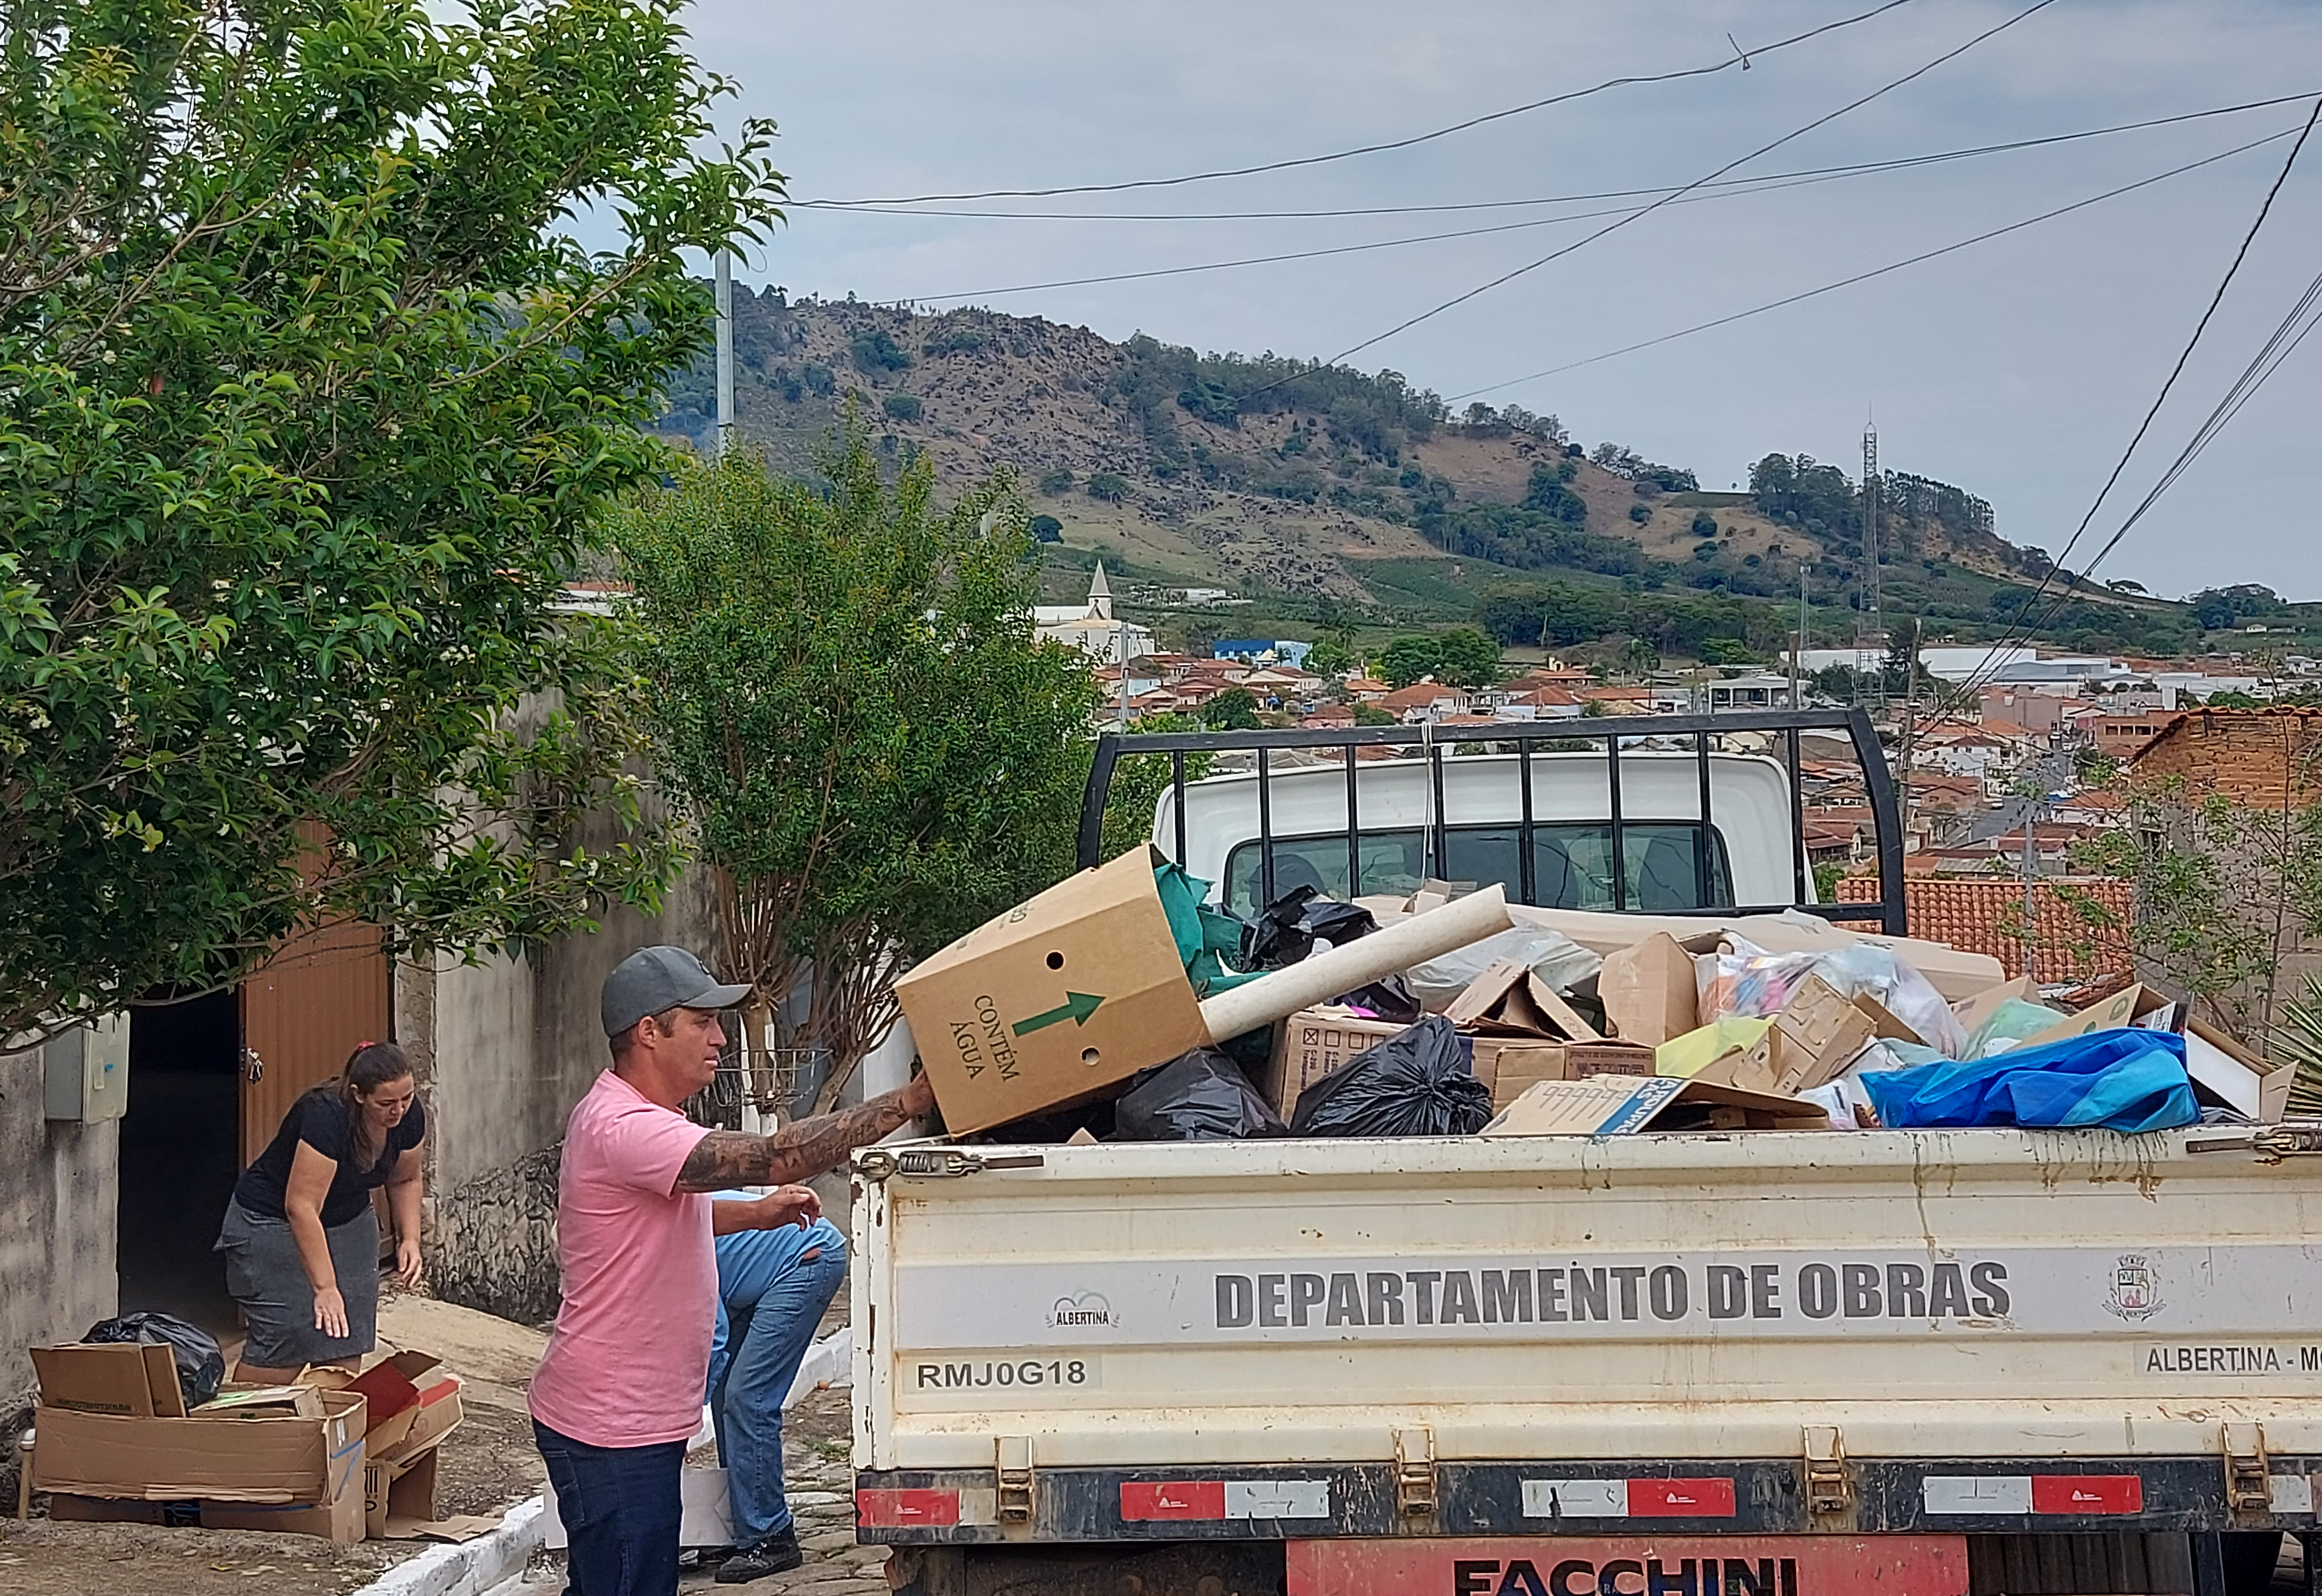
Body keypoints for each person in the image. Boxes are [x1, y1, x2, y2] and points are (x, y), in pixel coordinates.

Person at [528, 945, 933, 1596]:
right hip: (610, 1425)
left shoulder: (641, 1118)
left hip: (632, 1418)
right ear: (649, 1031)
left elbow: (654, 1217)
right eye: (702, 1021)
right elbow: (777, 1154)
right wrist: (908, 1099)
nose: (721, 1037)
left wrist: (757, 1215)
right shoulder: (626, 1125)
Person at [216, 1041, 426, 1380]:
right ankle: (249, 1423)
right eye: (386, 1102)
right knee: (289, 1334)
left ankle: (328, 1424)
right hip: (273, 1222)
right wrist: (325, 1286)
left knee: (344, 1334)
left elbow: (406, 1179)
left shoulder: (408, 1116)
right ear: (359, 1095)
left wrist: (410, 1238)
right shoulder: (326, 1115)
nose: (399, 1111)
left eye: (407, 1098)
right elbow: (301, 1206)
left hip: (349, 1221)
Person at [704, 1188, 848, 1583]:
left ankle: (770, 1536)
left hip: (806, 1259)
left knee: (747, 1396)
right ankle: (739, 1522)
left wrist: (678, 1415)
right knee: (724, 1397)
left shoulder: (662, 1242)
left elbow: (711, 1334)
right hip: (755, 1278)